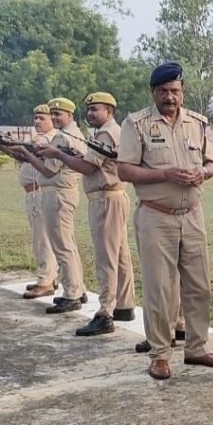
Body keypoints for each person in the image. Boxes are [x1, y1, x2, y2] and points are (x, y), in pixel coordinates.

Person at [117, 61, 213, 381]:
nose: (170, 97)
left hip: (193, 215)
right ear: (153, 92)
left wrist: (202, 173)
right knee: (160, 289)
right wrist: (165, 174)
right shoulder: (136, 124)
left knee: (199, 286)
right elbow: (124, 170)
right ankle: (160, 355)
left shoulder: (197, 122)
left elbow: (212, 163)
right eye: (164, 91)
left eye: (175, 91)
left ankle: (196, 348)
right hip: (156, 216)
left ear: (183, 92)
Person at [37, 92, 137, 337]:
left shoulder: (105, 133)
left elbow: (88, 167)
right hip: (113, 196)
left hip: (105, 199)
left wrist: (59, 154)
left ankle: (105, 313)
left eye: (96, 109)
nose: (91, 114)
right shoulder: (110, 131)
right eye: (89, 110)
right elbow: (91, 161)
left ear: (109, 111)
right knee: (120, 255)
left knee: (106, 258)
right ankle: (124, 306)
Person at [0, 105, 59, 299]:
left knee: (42, 239)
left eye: (42, 118)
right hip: (33, 193)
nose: (37, 121)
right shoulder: (39, 139)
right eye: (35, 117)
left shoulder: (48, 139)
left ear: (52, 120)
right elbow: (16, 153)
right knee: (42, 238)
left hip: (39, 193)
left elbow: (18, 153)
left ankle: (46, 280)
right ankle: (49, 277)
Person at [15, 97, 88, 314]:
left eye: (58, 114)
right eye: (53, 114)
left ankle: (72, 294)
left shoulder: (62, 138)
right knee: (67, 245)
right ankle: (77, 289)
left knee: (63, 246)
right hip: (61, 193)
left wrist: (26, 153)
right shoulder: (68, 135)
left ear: (70, 115)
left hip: (58, 194)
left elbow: (48, 171)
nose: (55, 118)